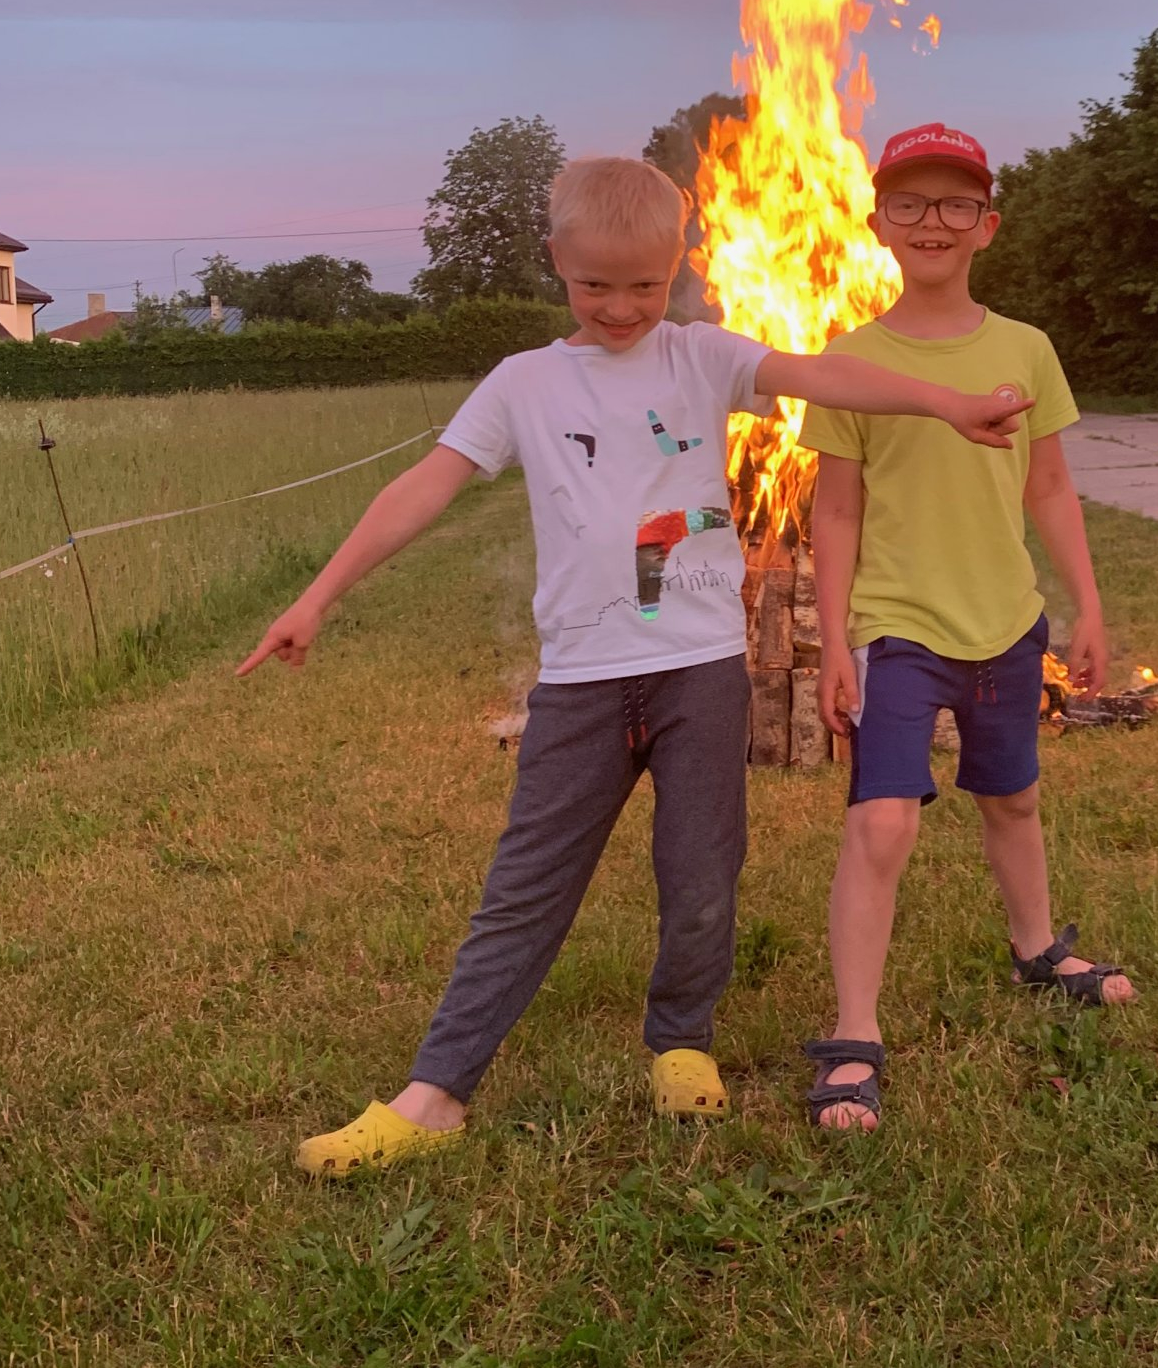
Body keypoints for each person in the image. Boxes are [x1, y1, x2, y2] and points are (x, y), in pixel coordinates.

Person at [238, 154, 1029, 1176]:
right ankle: (434, 1092)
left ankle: (682, 1042)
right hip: (582, 682)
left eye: (645, 285)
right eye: (595, 285)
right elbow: (425, 486)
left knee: (701, 872)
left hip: (702, 670)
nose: (620, 308)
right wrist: (317, 595)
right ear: (556, 261)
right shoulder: (523, 383)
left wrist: (942, 402)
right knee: (525, 886)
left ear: (678, 264)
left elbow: (824, 375)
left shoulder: (701, 358)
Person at [799, 122, 1136, 1132]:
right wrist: (832, 644)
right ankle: (853, 1035)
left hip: (1005, 623)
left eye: (955, 204)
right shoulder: (850, 360)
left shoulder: (1025, 349)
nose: (932, 222)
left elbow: (1051, 486)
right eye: (909, 203)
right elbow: (836, 510)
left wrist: (1086, 603)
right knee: (883, 821)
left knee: (1014, 797)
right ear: (877, 223)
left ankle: (1037, 950)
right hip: (897, 628)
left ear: (988, 224)